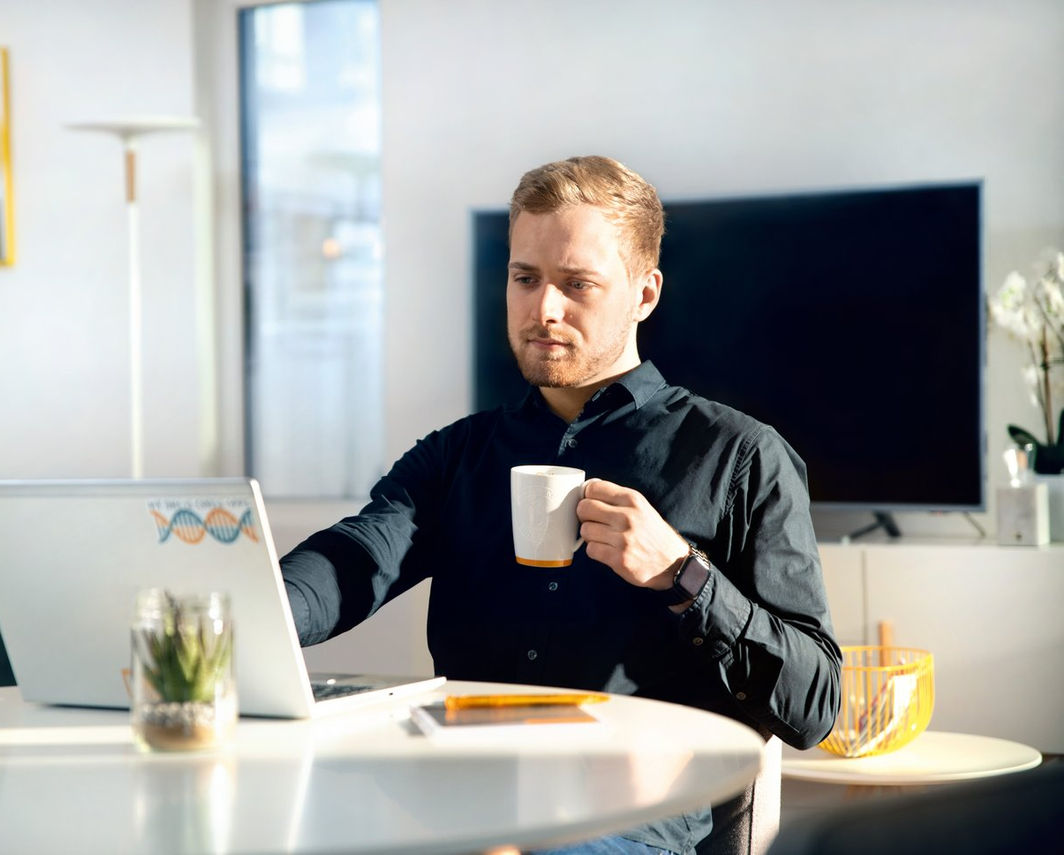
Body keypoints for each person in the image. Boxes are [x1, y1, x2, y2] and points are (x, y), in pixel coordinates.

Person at [280, 155, 842, 854]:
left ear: (644, 293)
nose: (543, 308)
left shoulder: (741, 458)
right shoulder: (458, 454)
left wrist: (684, 574)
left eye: (577, 284)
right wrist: (246, 610)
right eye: (525, 278)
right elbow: (354, 557)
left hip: (625, 825)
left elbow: (816, 703)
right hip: (457, 803)